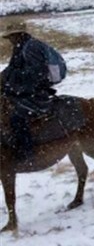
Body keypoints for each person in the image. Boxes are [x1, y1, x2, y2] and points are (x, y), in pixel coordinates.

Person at [1, 20, 57, 160]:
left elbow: (37, 74)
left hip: (36, 92)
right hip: (26, 89)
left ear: (18, 35)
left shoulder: (31, 48)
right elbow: (13, 68)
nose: (10, 40)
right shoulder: (20, 47)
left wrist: (11, 79)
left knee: (17, 117)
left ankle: (27, 152)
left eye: (11, 36)